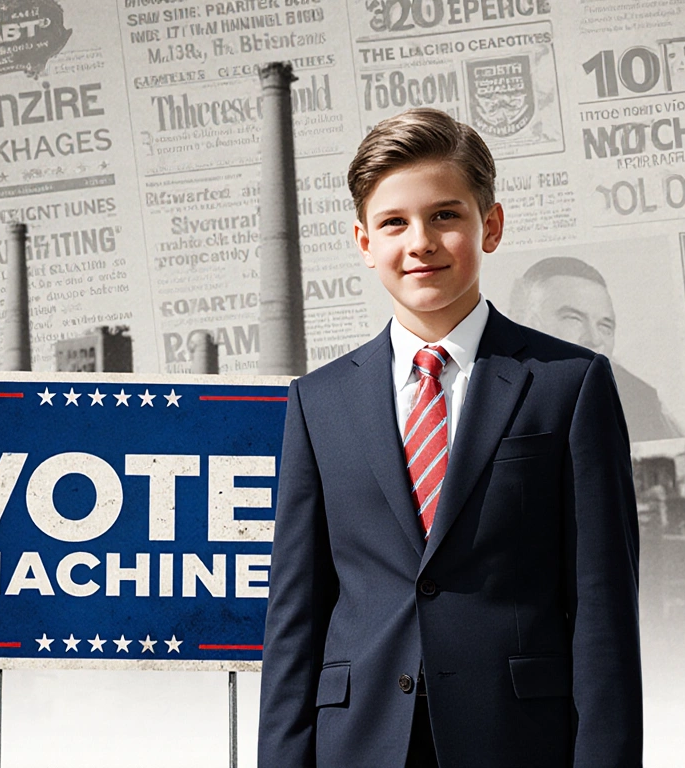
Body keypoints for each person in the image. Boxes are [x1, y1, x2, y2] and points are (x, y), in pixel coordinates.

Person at [259, 108, 642, 767]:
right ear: (363, 241)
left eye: (445, 216)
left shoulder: (568, 385)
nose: (421, 242)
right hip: (357, 742)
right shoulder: (318, 402)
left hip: (518, 742)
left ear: (489, 226)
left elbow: (603, 610)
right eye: (394, 223)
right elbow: (293, 619)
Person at [508, 257, 684, 442]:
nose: (594, 339)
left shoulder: (643, 405)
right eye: (573, 319)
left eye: (605, 327)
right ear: (522, 324)